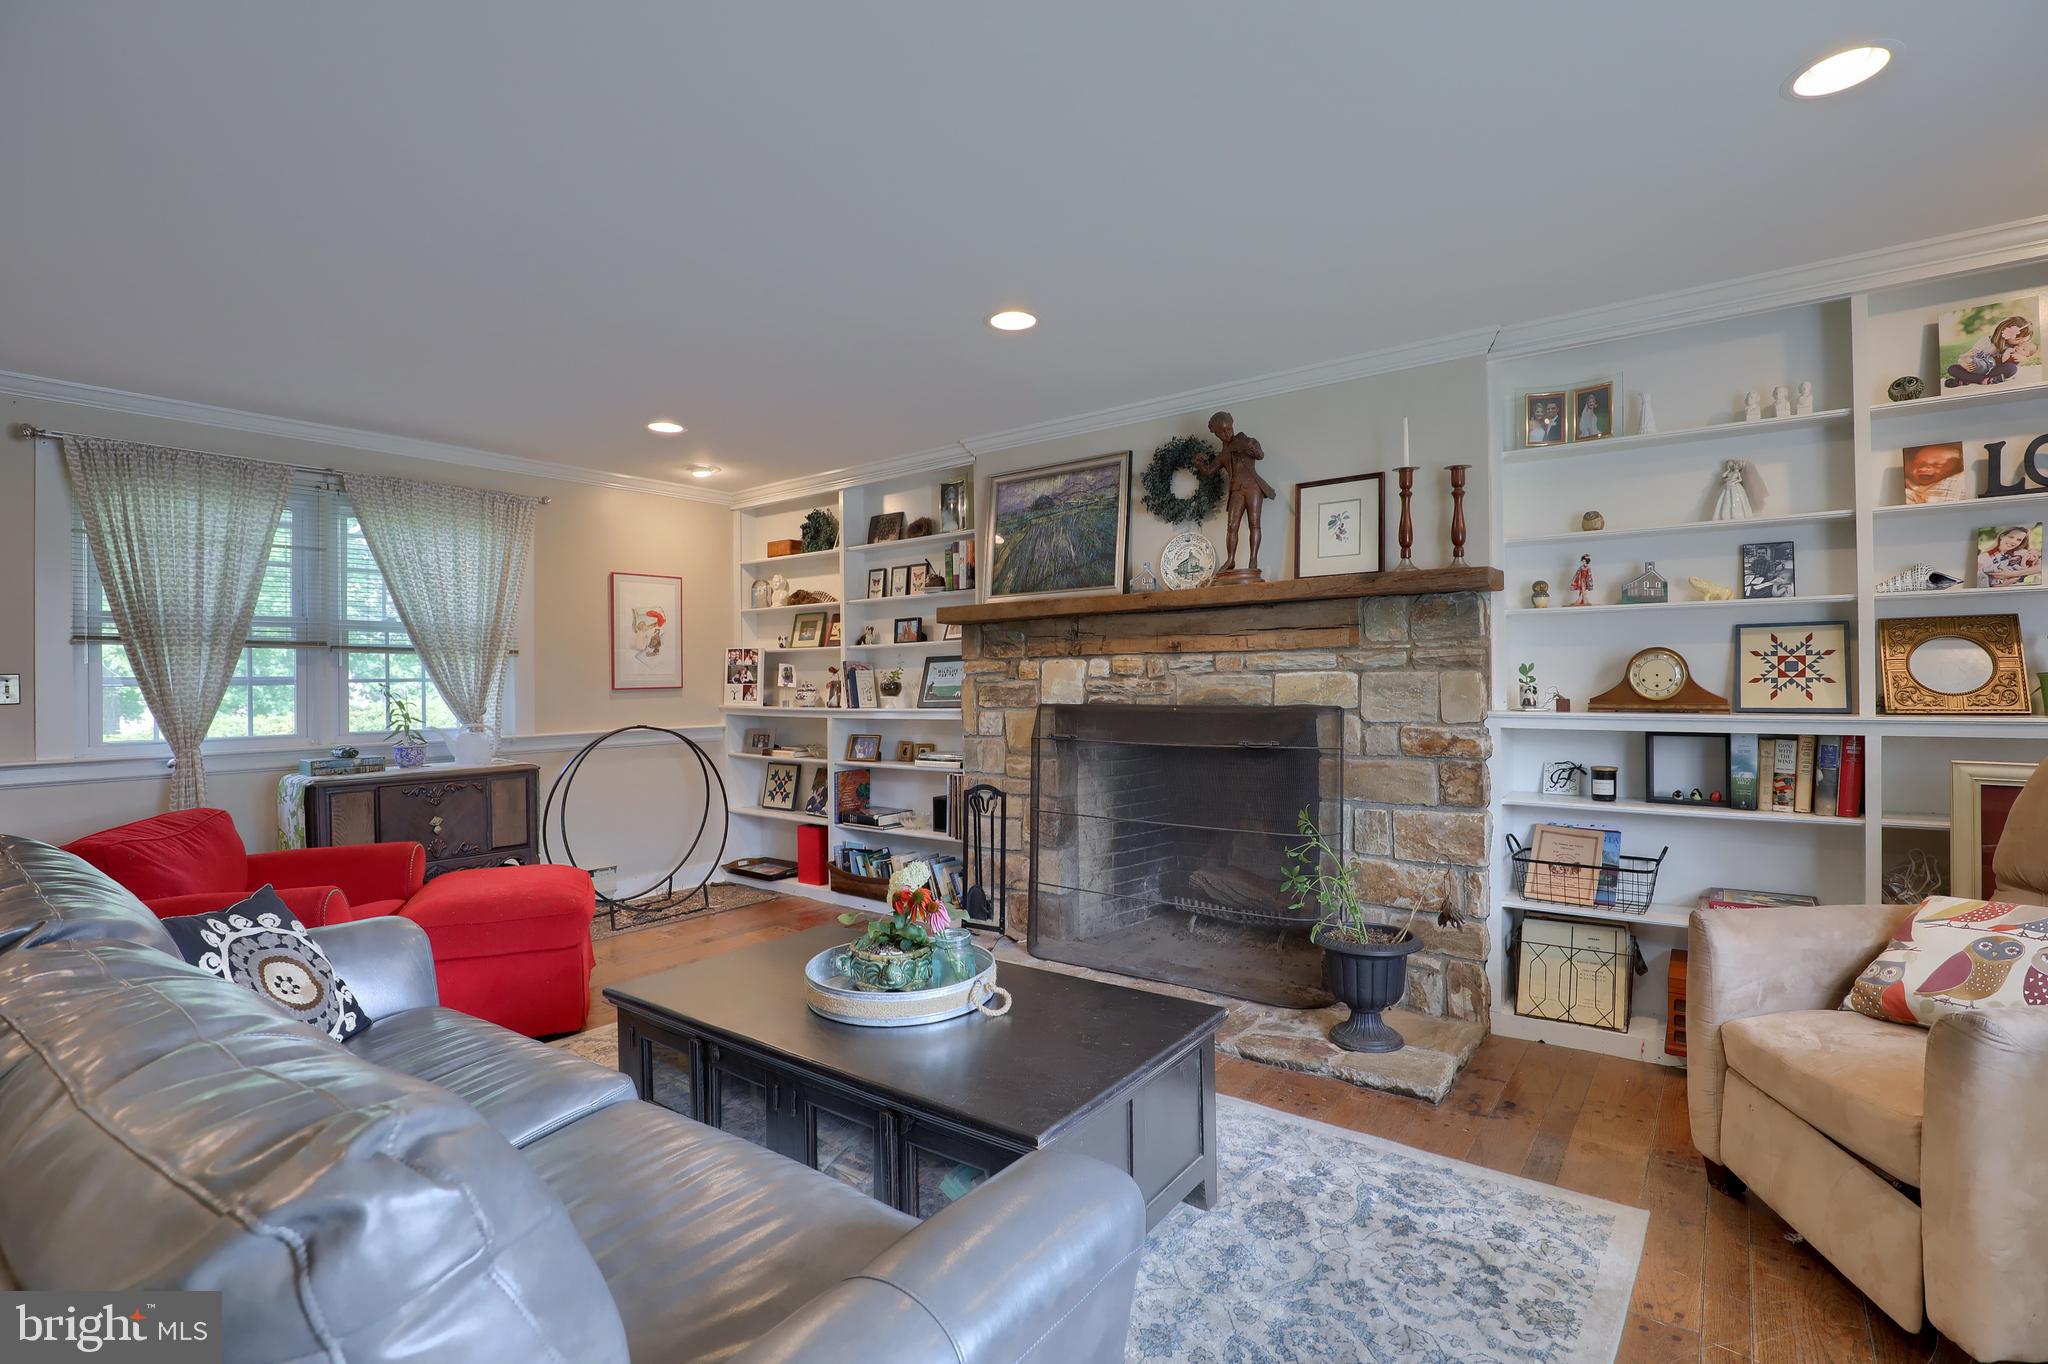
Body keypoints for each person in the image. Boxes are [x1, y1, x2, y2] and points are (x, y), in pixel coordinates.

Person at [1197, 411, 1276, 578]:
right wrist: (1199, 463)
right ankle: (1230, 559)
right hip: (1236, 490)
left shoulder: (1247, 441)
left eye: (1229, 429)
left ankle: (1253, 559)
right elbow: (1209, 471)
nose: (1227, 434)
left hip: (1253, 487)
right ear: (1216, 433)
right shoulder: (1224, 454)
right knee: (1232, 526)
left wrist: (1249, 446)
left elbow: (1260, 455)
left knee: (1255, 524)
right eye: (1222, 432)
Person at [1946, 314, 2038, 387]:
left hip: (1993, 370)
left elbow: (2020, 358)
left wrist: (2023, 359)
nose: (2020, 343)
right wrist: (1964, 365)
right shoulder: (1986, 342)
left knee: (2011, 369)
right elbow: (1968, 355)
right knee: (1952, 369)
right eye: (2018, 339)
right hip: (1978, 367)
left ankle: (1969, 379)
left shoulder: (2017, 346)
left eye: (2024, 340)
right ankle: (1983, 380)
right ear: (2004, 334)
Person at [1978, 525, 2043, 587]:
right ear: (2002, 536)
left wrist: (2012, 574)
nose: (2013, 542)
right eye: (2011, 537)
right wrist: (2009, 581)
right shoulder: (1984, 557)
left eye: (2019, 540)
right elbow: (1987, 583)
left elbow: (2040, 567)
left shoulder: (2023, 553)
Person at [1902, 444, 1967, 504]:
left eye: (1937, 465)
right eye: (1918, 463)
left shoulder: (1953, 482)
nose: (1923, 468)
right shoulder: (1909, 485)